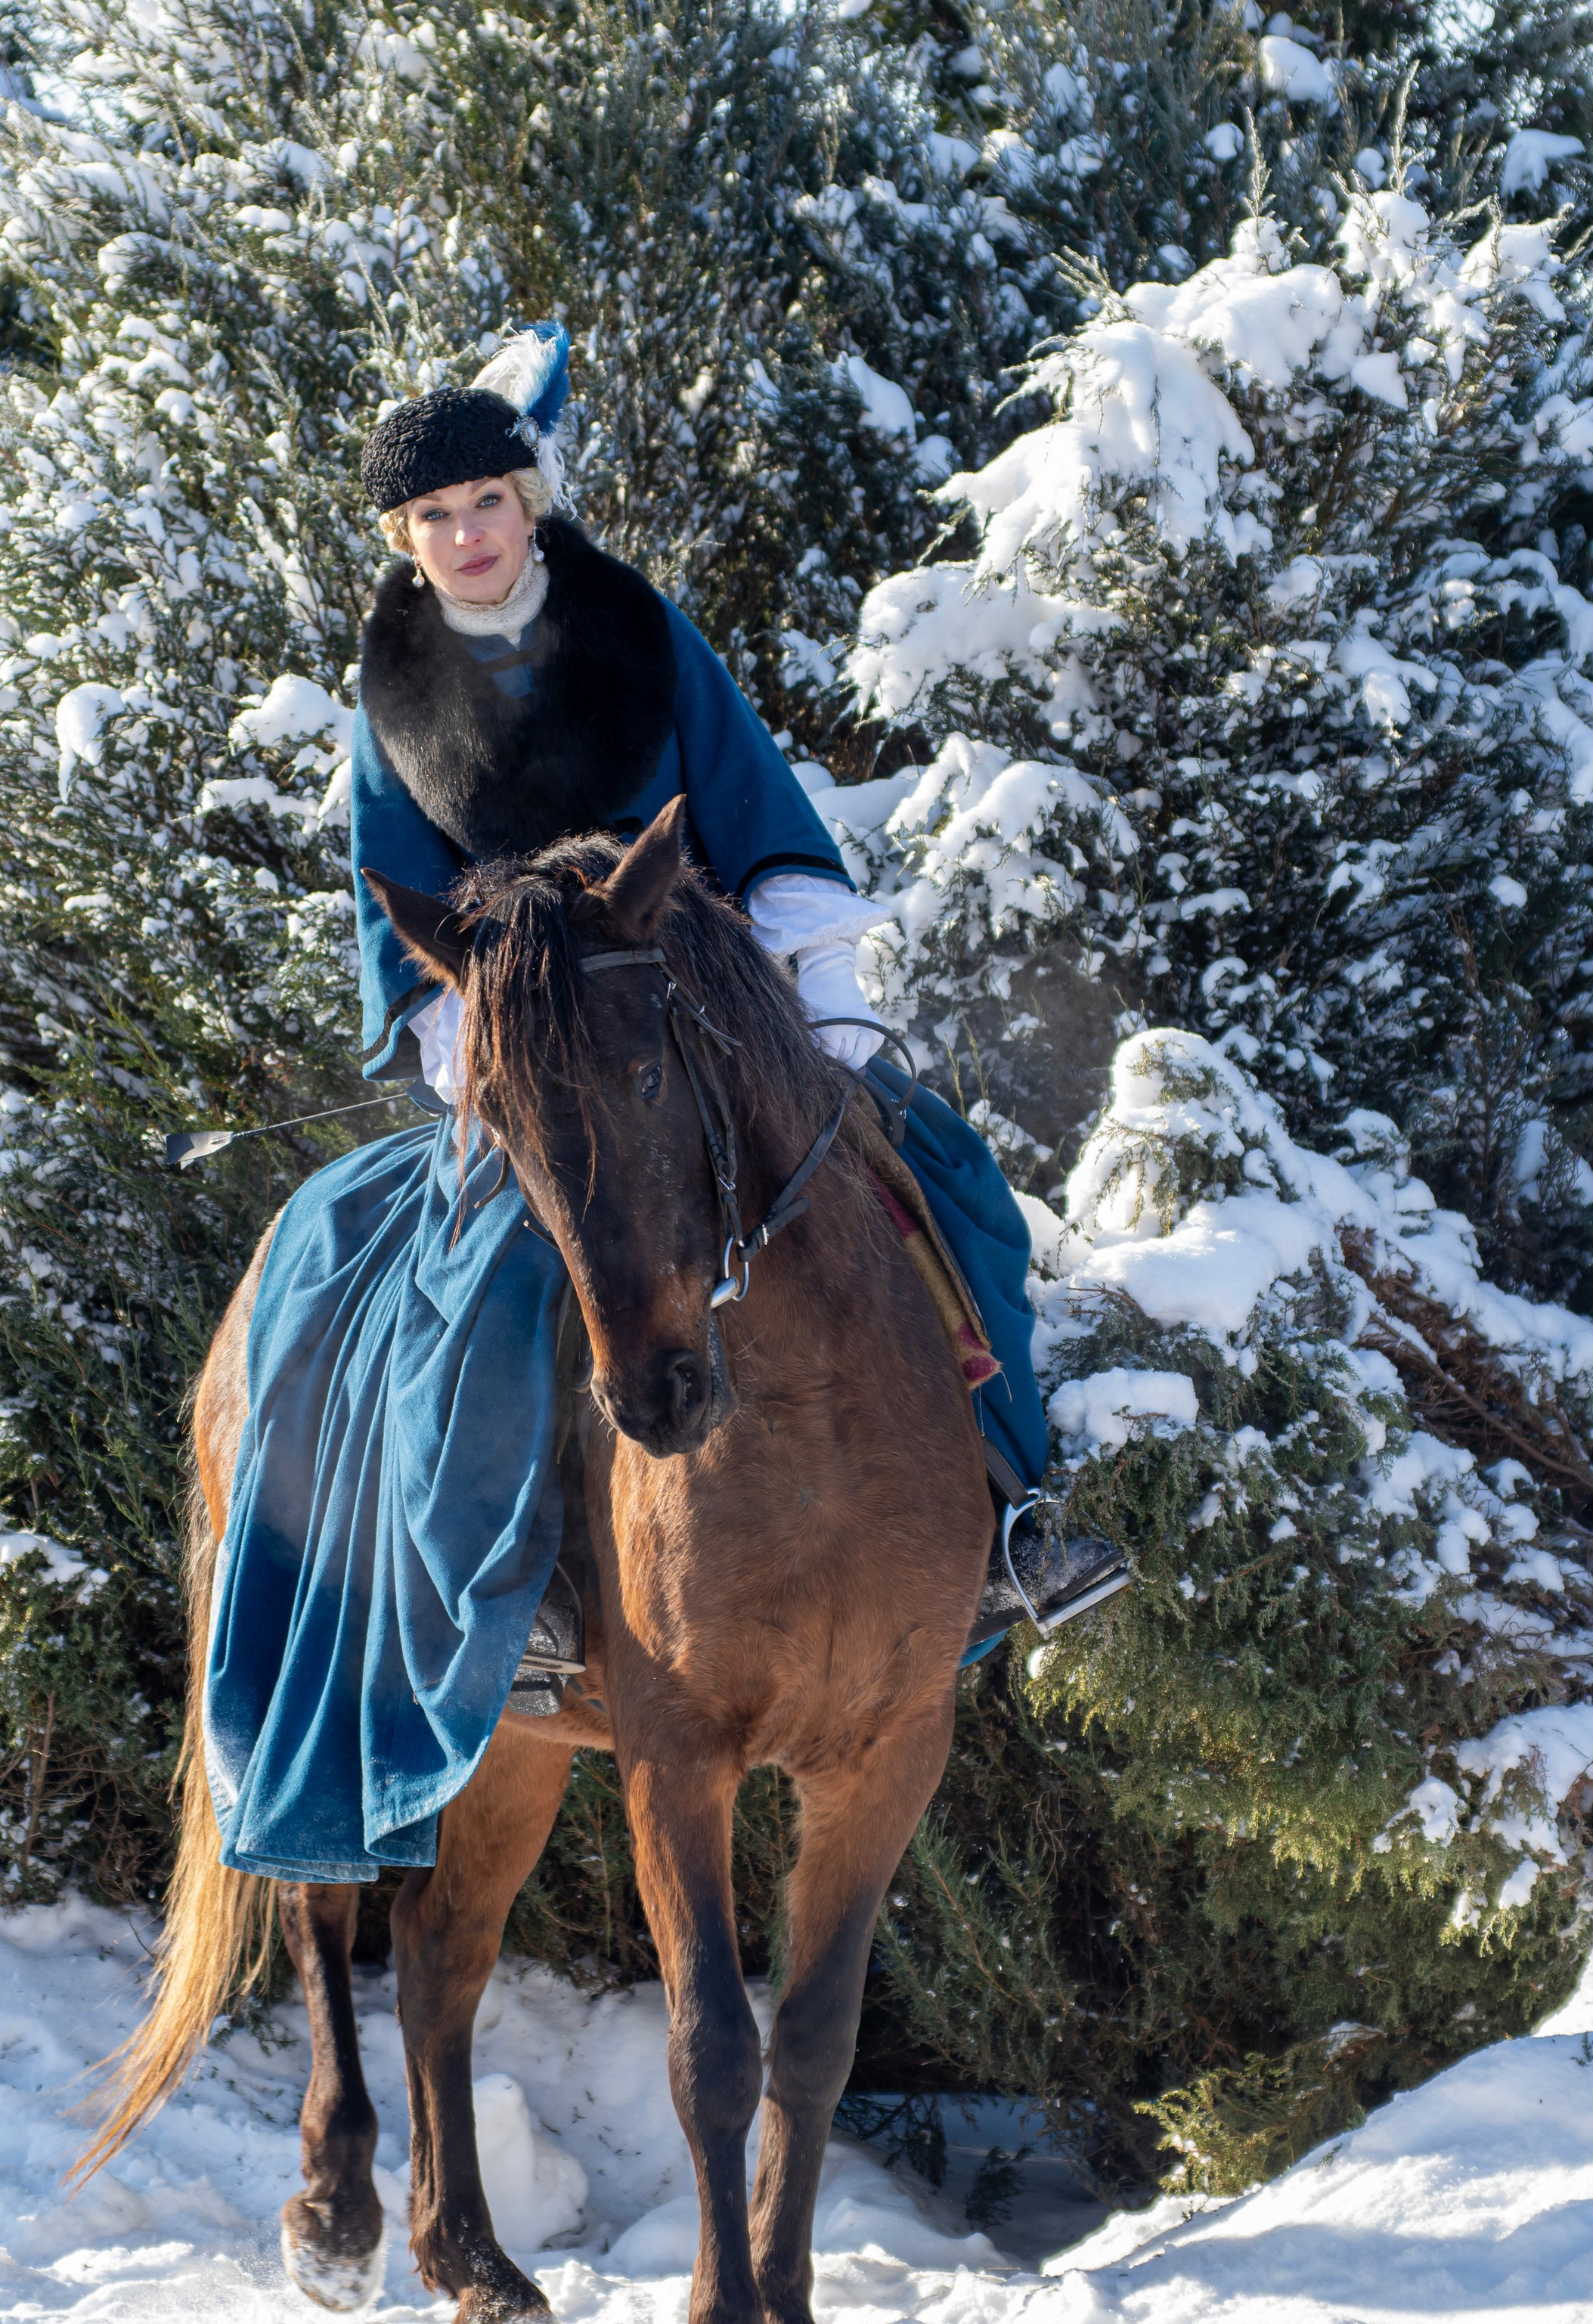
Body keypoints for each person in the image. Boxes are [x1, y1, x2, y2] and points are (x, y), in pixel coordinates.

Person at [200, 327, 1126, 1887]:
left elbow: (758, 811)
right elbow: (397, 926)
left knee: (943, 1179)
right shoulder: (390, 703)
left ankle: (1015, 1510)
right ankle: (513, 1601)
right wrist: (476, 1059)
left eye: (487, 499)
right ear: (403, 539)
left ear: (526, 498)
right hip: (527, 1043)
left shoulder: (634, 630)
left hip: (701, 994)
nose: (467, 534)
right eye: (435, 518)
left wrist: (822, 1021)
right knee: (482, 1287)